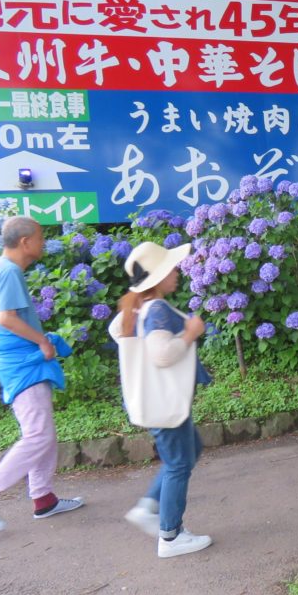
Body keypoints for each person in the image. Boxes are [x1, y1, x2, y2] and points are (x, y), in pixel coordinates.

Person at [0, 216, 84, 532]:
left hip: (18, 360)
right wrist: (42, 341)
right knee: (38, 435)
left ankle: (44, 499)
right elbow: (6, 318)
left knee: (43, 433)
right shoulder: (9, 271)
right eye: (41, 238)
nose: (44, 243)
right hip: (21, 362)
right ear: (25, 242)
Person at [110, 240, 213, 559]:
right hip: (165, 402)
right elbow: (162, 355)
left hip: (159, 401)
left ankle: (150, 507)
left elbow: (116, 332)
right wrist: (191, 333)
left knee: (190, 449)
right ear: (158, 277)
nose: (177, 273)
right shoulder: (156, 310)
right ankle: (170, 535)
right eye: (171, 268)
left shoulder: (140, 308)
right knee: (179, 463)